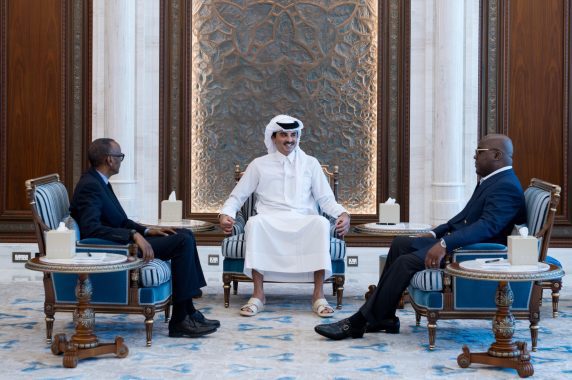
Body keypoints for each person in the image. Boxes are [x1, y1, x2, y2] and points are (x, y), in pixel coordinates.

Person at [314, 134, 527, 340]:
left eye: (478, 152)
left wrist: (445, 243)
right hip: (463, 244)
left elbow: (486, 228)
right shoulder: (493, 181)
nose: (474, 157)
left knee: (405, 263)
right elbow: (463, 218)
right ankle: (385, 318)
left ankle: (359, 322)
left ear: (497, 156)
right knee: (400, 243)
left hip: (475, 254)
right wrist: (435, 233)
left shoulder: (505, 186)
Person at [70, 138, 220, 338]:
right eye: (120, 156)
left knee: (184, 234)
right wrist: (134, 235)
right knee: (182, 242)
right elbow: (91, 229)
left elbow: (120, 220)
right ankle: (180, 321)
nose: (122, 160)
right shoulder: (90, 185)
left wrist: (148, 230)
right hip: (116, 249)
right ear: (109, 160)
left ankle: (189, 311)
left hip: (124, 241)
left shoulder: (100, 182)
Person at [219, 115, 351, 317]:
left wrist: (343, 213)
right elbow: (238, 196)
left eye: (293, 135)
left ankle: (318, 296)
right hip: (269, 219)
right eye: (284, 135)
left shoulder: (310, 163)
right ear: (273, 137)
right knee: (254, 223)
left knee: (321, 223)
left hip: (303, 219)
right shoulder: (259, 164)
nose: (290, 139)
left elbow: (326, 199)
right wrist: (226, 213)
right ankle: (258, 295)